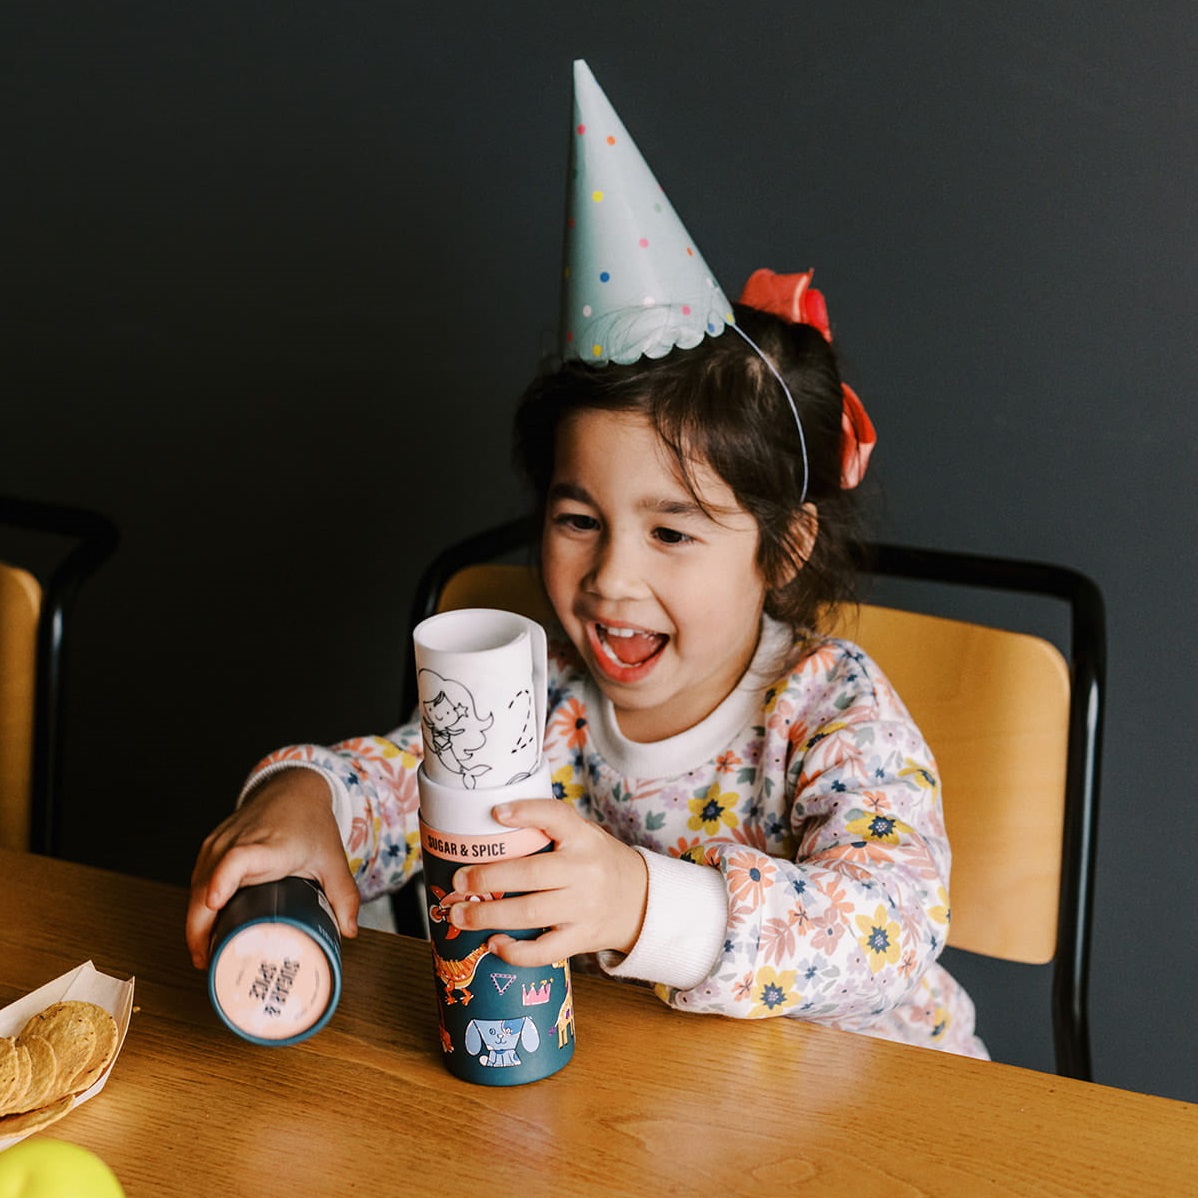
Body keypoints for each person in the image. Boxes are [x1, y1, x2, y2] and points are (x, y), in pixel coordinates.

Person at [186, 61, 986, 1059]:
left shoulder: (827, 712)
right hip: (646, 1103)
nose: (610, 579)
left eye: (672, 532)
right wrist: (303, 801)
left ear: (783, 547)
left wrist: (639, 901)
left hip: (878, 1097)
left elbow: (890, 927)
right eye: (577, 519)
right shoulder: (542, 699)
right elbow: (391, 787)